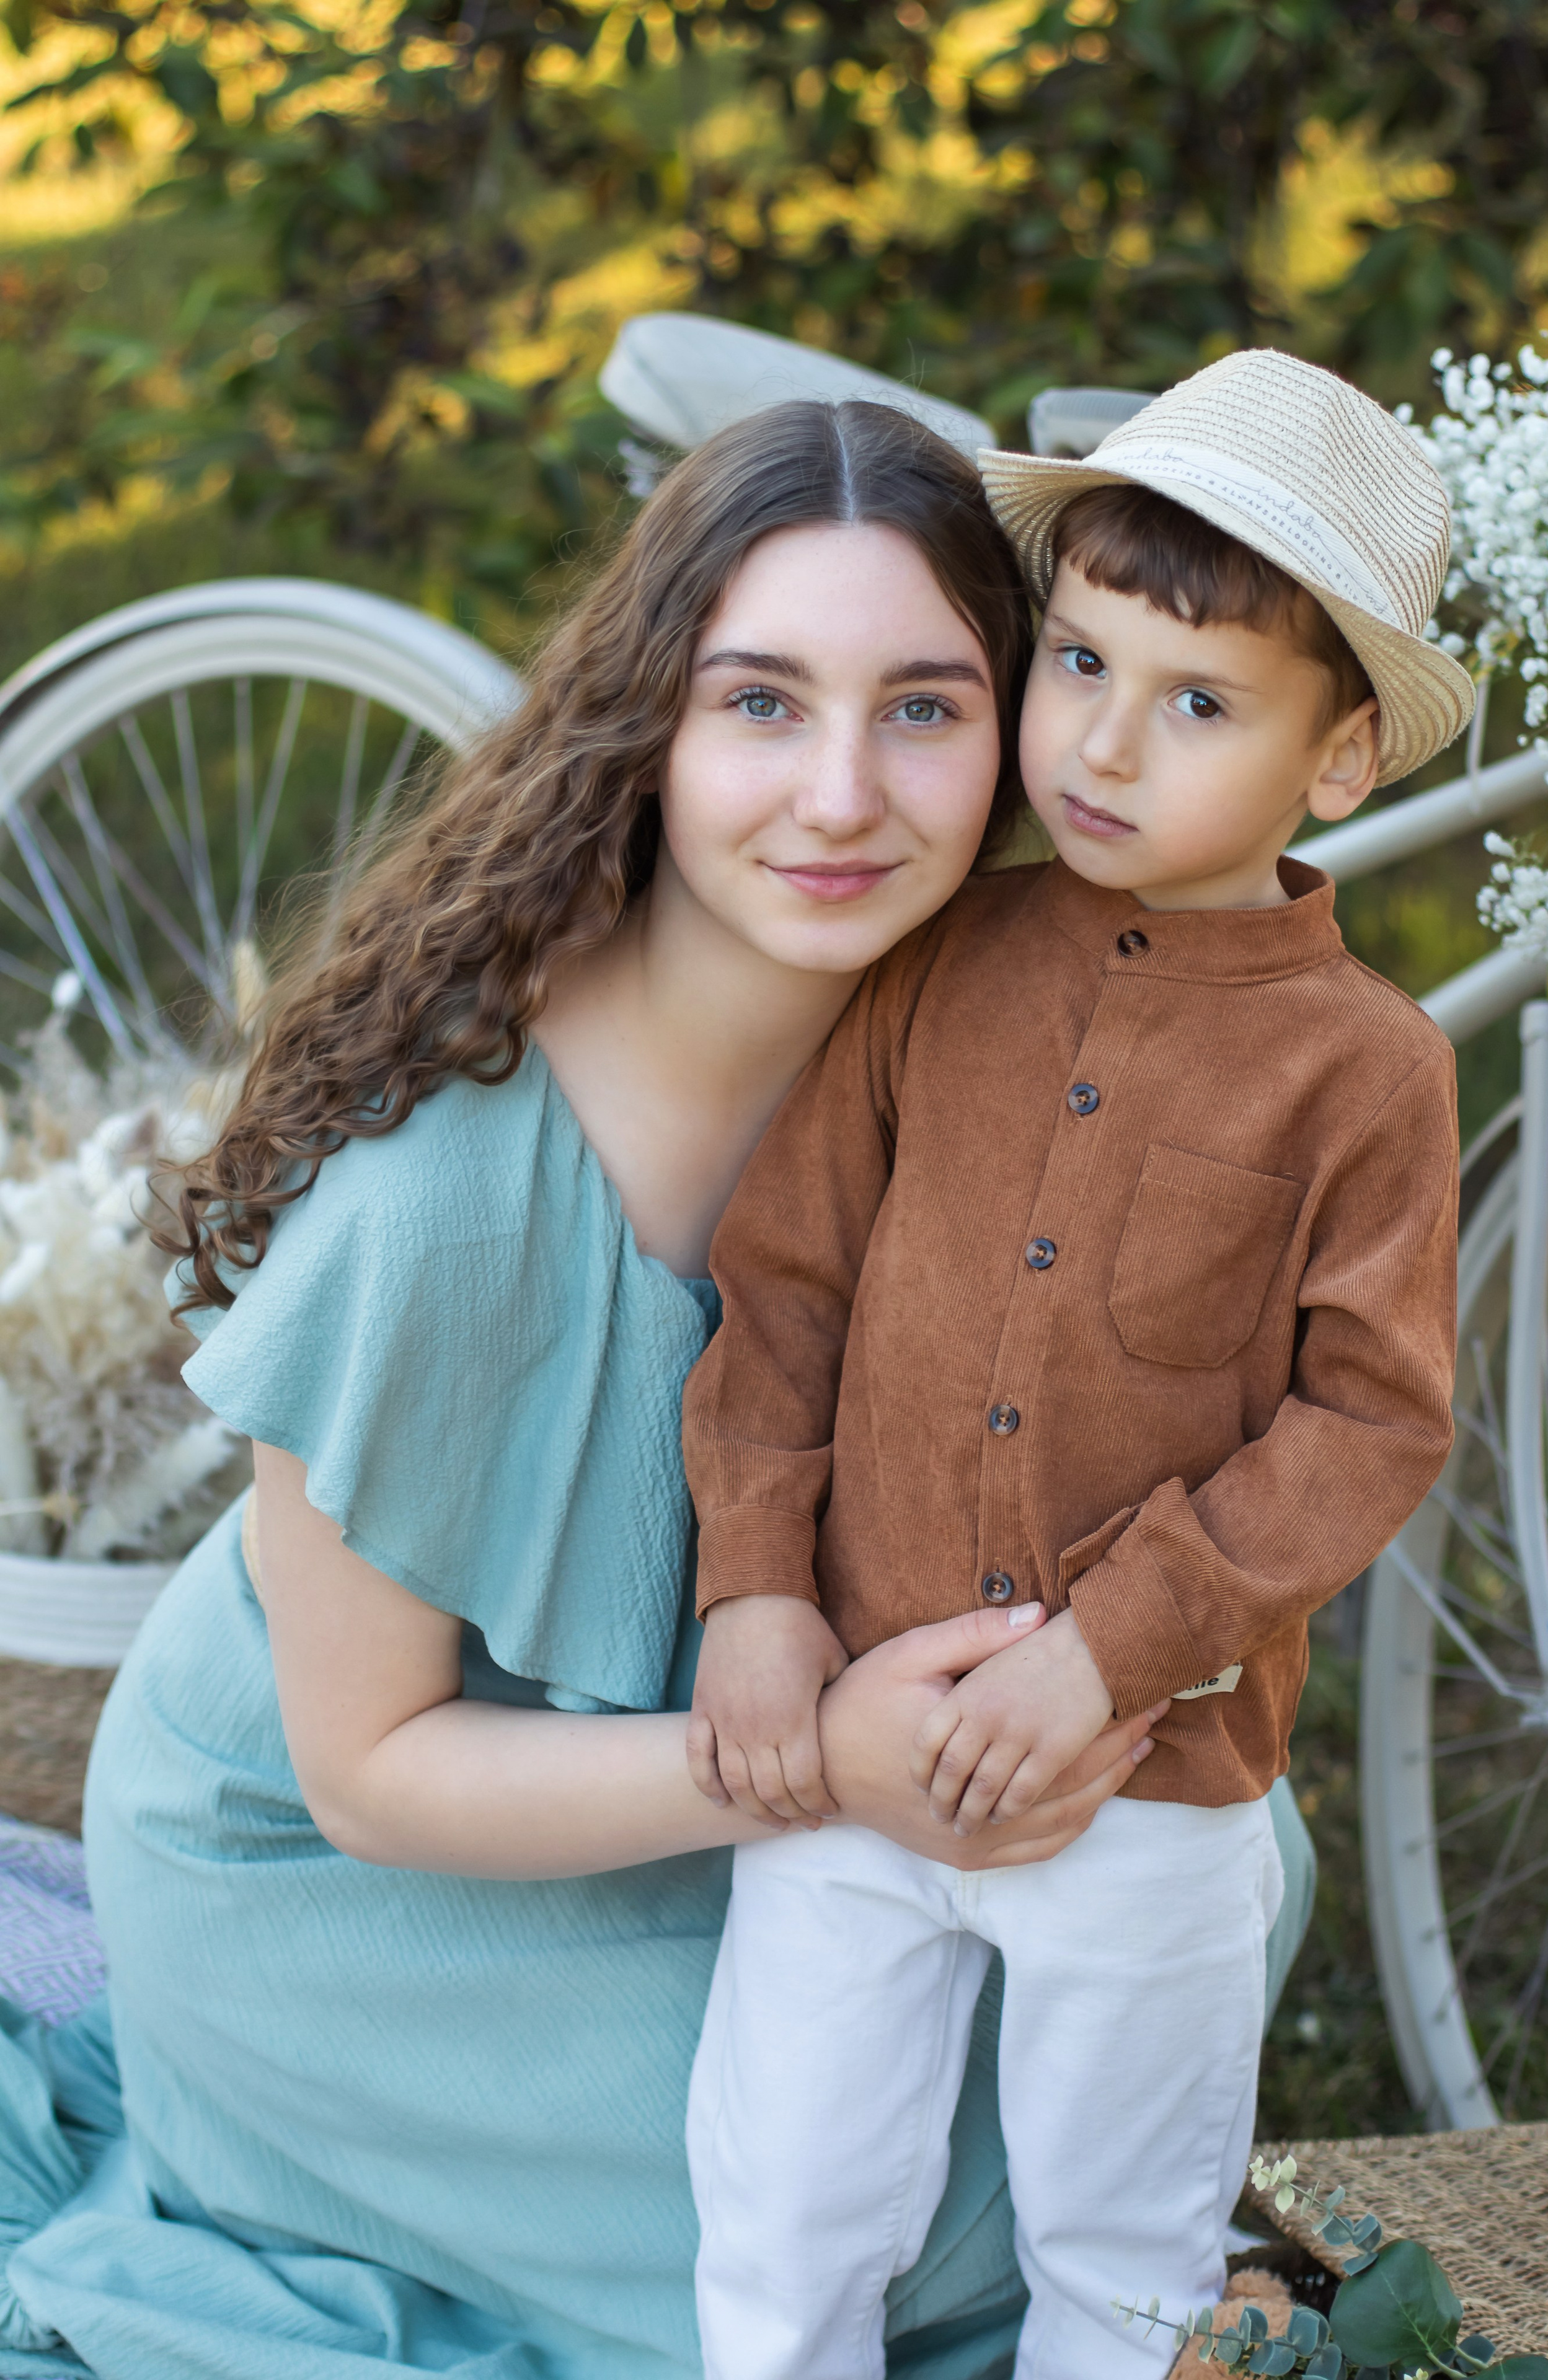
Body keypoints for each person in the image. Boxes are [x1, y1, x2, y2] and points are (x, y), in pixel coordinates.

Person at [0, 400, 1170, 2380]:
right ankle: (322, 2176)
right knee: (933, 2224)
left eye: (925, 708)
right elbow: (371, 1770)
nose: (843, 798)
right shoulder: (438, 1204)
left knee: (1199, 1904)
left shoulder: (984, 1059)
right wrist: (836, 1774)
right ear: (652, 728)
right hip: (342, 1873)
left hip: (710, 1803)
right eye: (763, 705)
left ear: (1014, 739)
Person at [681, 351, 1470, 2380]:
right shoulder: (944, 957)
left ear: (1345, 757)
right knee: (782, 2215)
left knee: (1121, 2259)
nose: (1107, 744)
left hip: (1147, 1783)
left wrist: (1108, 1647)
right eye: (1083, 665)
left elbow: (1369, 1420)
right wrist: (757, 1588)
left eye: (1199, 703)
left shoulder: (1369, 1070)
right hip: (854, 1735)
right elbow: (785, 1284)